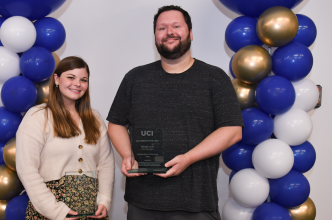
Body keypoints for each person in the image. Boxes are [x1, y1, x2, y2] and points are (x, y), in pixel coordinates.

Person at [107, 5, 243, 220]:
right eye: (162, 28)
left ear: (190, 33)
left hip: (195, 203)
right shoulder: (135, 78)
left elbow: (233, 130)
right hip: (142, 202)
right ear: (155, 37)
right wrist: (127, 155)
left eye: (176, 26)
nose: (169, 32)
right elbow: (115, 123)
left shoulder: (214, 78)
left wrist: (188, 158)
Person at [16, 56, 115, 220]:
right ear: (56, 79)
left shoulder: (95, 118)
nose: (77, 83)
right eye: (71, 77)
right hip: (49, 210)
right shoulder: (37, 117)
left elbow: (106, 163)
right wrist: (56, 211)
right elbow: (26, 169)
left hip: (91, 211)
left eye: (83, 79)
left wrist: (104, 199)